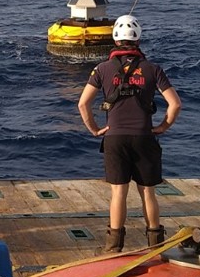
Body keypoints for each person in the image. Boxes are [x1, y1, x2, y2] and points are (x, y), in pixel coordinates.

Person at [77, 14, 182, 253]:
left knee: (118, 192)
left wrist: (95, 129)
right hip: (144, 137)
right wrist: (163, 127)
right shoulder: (153, 69)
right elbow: (175, 104)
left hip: (114, 138)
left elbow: (83, 104)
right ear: (138, 38)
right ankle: (155, 244)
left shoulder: (101, 69)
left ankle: (114, 246)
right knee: (148, 192)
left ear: (115, 38)